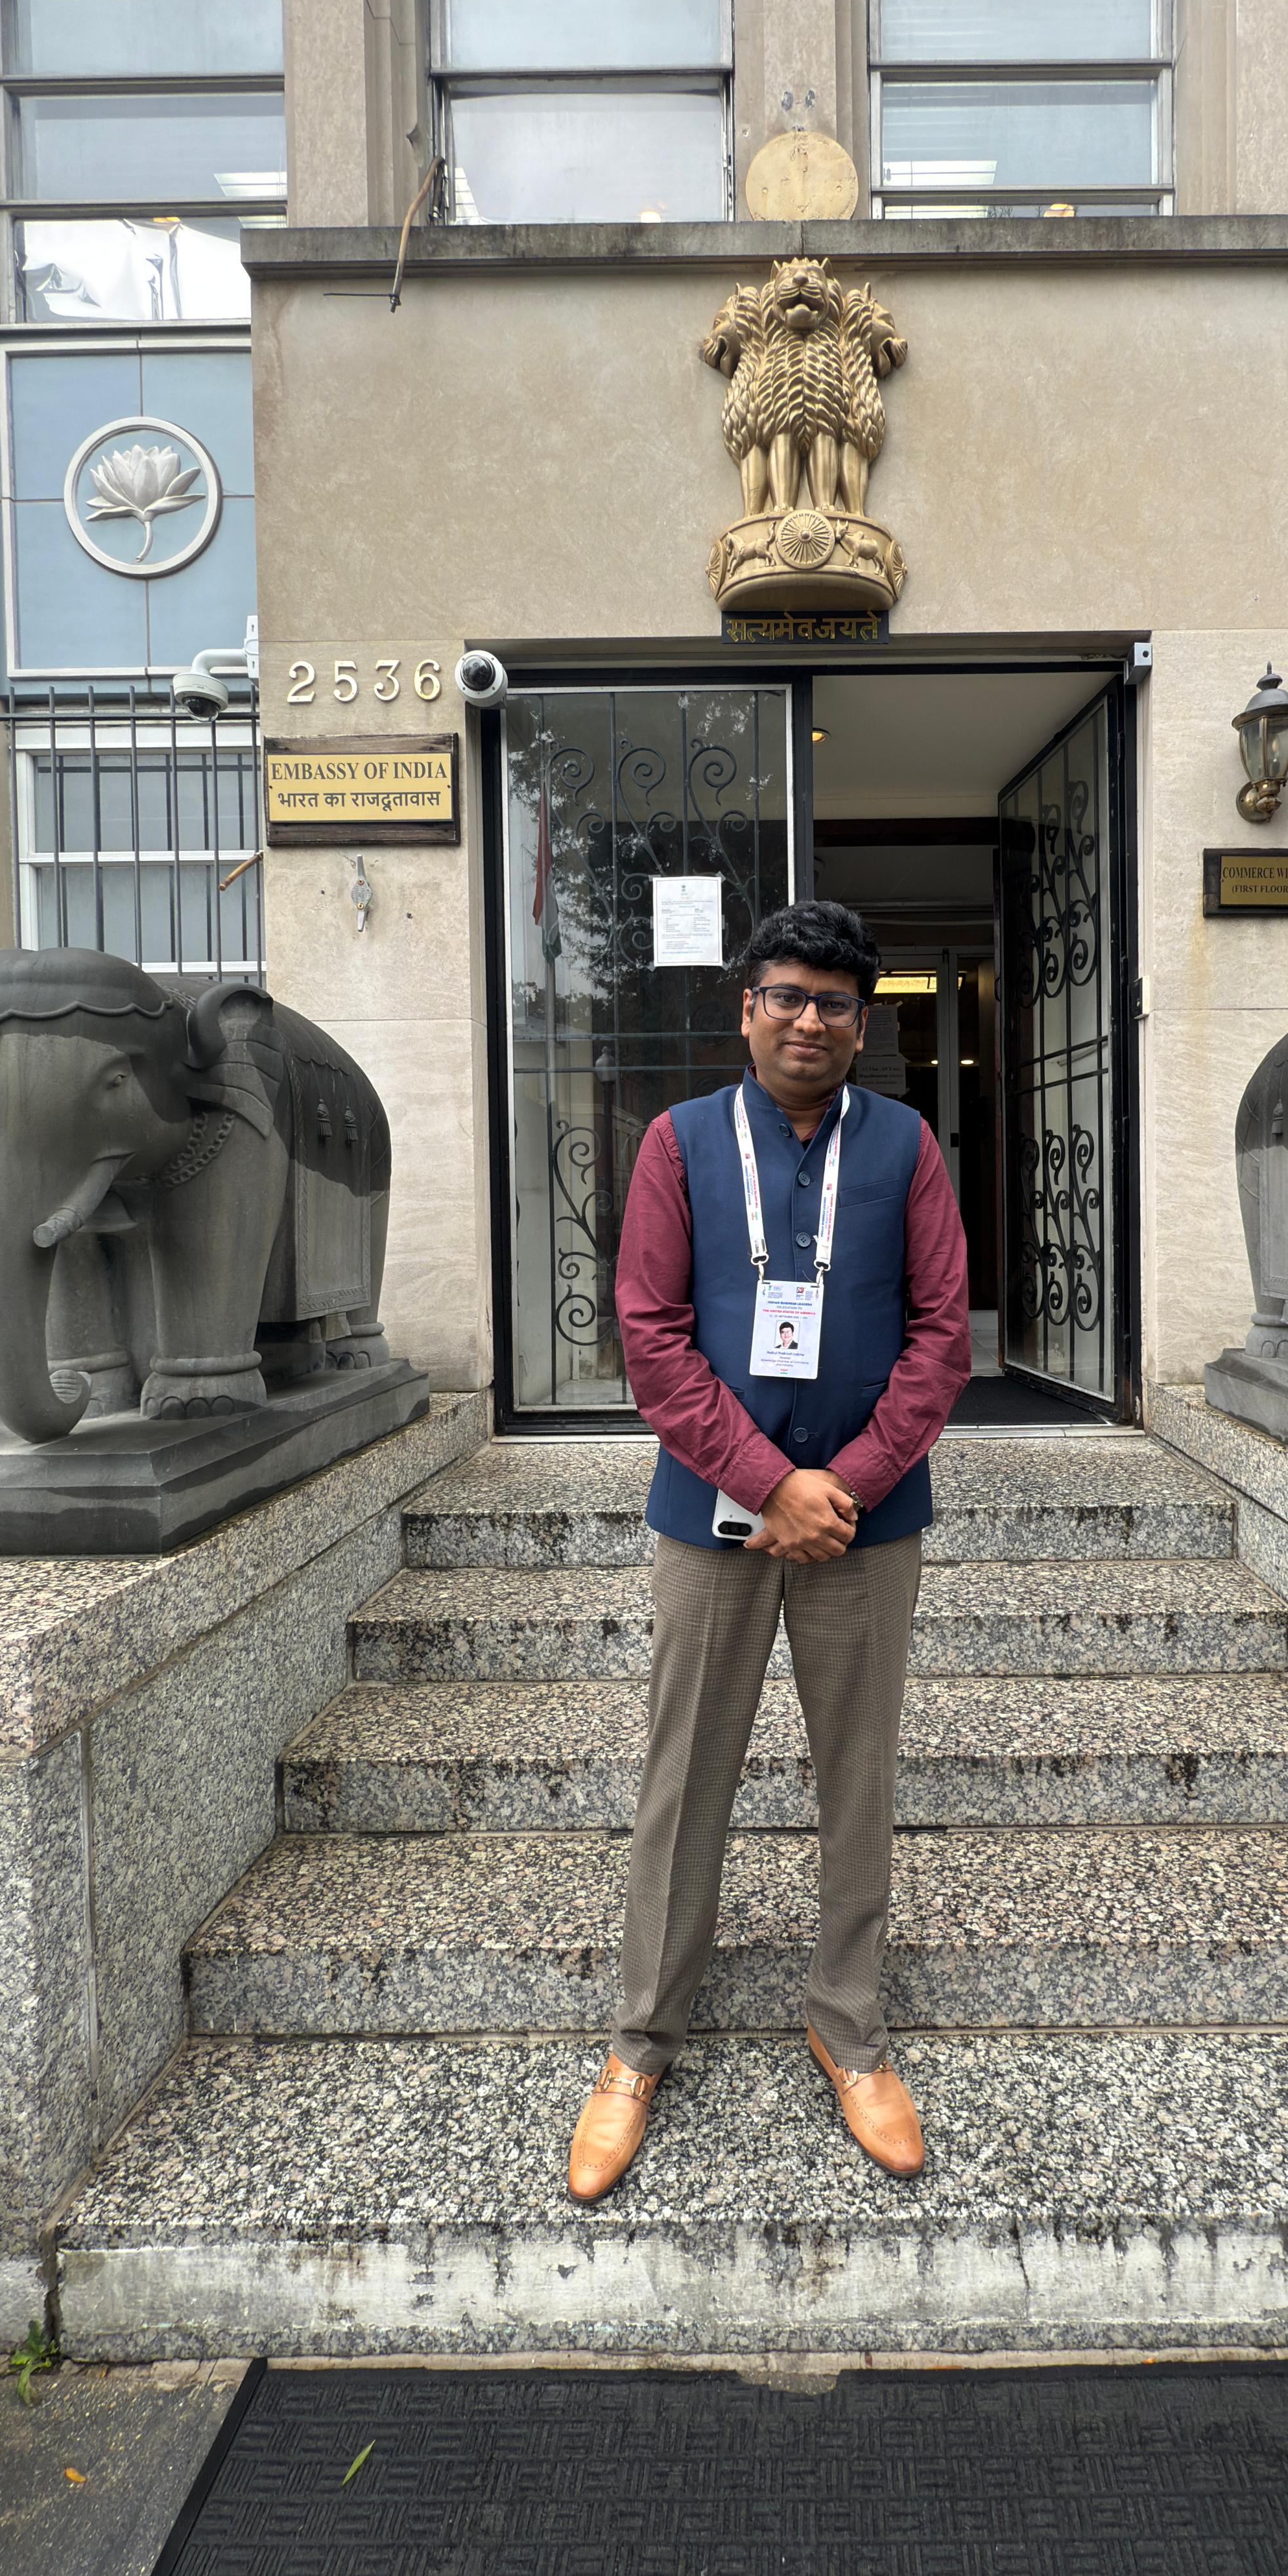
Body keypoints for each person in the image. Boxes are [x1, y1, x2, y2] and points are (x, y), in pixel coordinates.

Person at [567, 900, 972, 2202]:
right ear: (747, 1010)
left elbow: (942, 1336)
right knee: (685, 1776)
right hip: (710, 1516)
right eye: (786, 996)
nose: (809, 1020)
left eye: (834, 1003)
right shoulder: (681, 1143)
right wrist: (765, 1482)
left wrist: (842, 1487)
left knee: (857, 1775)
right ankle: (641, 2042)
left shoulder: (905, 1145)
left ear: (863, 1022)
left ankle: (847, 2025)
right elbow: (650, 1337)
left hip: (866, 1521)